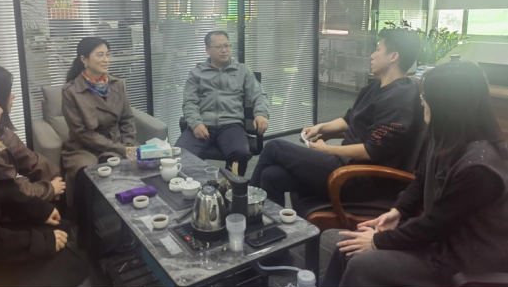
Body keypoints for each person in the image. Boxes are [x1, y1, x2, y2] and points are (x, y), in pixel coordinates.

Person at [322, 62, 508, 287]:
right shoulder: (445, 139)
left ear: (448, 104)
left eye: (426, 95)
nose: (421, 100)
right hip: (437, 242)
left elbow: (436, 224)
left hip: (462, 263)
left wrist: (377, 241)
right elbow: (421, 179)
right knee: (347, 246)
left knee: (362, 263)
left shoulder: (480, 169)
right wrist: (398, 211)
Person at [251, 28, 424, 206]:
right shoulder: (374, 87)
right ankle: (263, 221)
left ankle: (246, 207)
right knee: (271, 176)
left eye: (378, 50)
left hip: (360, 177)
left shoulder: (399, 100)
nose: (372, 55)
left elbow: (372, 150)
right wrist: (321, 127)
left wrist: (327, 150)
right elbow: (349, 119)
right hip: (346, 165)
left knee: (274, 147)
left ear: (393, 56)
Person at [0, 73, 87, 287]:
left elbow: (3, 187)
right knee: (67, 266)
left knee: (61, 226)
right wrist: (43, 242)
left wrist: (39, 210)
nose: (0, 110)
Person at [176, 31, 270, 176]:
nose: (224, 50)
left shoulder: (242, 70)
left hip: (231, 124)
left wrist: (261, 114)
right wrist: (195, 123)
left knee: (240, 153)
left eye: (227, 46)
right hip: (203, 124)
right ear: (208, 50)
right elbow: (189, 102)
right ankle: (193, 186)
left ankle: (231, 185)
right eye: (219, 46)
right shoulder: (196, 73)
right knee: (180, 156)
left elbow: (259, 95)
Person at [0, 64, 64, 202]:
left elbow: (31, 161)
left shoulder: (3, 134)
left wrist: (57, 178)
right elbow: (11, 189)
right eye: (8, 92)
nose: (13, 96)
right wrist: (50, 189)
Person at [62, 37, 138, 192]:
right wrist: (121, 149)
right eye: (100, 55)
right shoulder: (71, 92)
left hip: (115, 143)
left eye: (107, 55)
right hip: (84, 148)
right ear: (84, 60)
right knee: (89, 173)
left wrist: (128, 146)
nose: (106, 60)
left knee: (121, 167)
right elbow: (81, 133)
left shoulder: (118, 84)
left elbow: (127, 120)